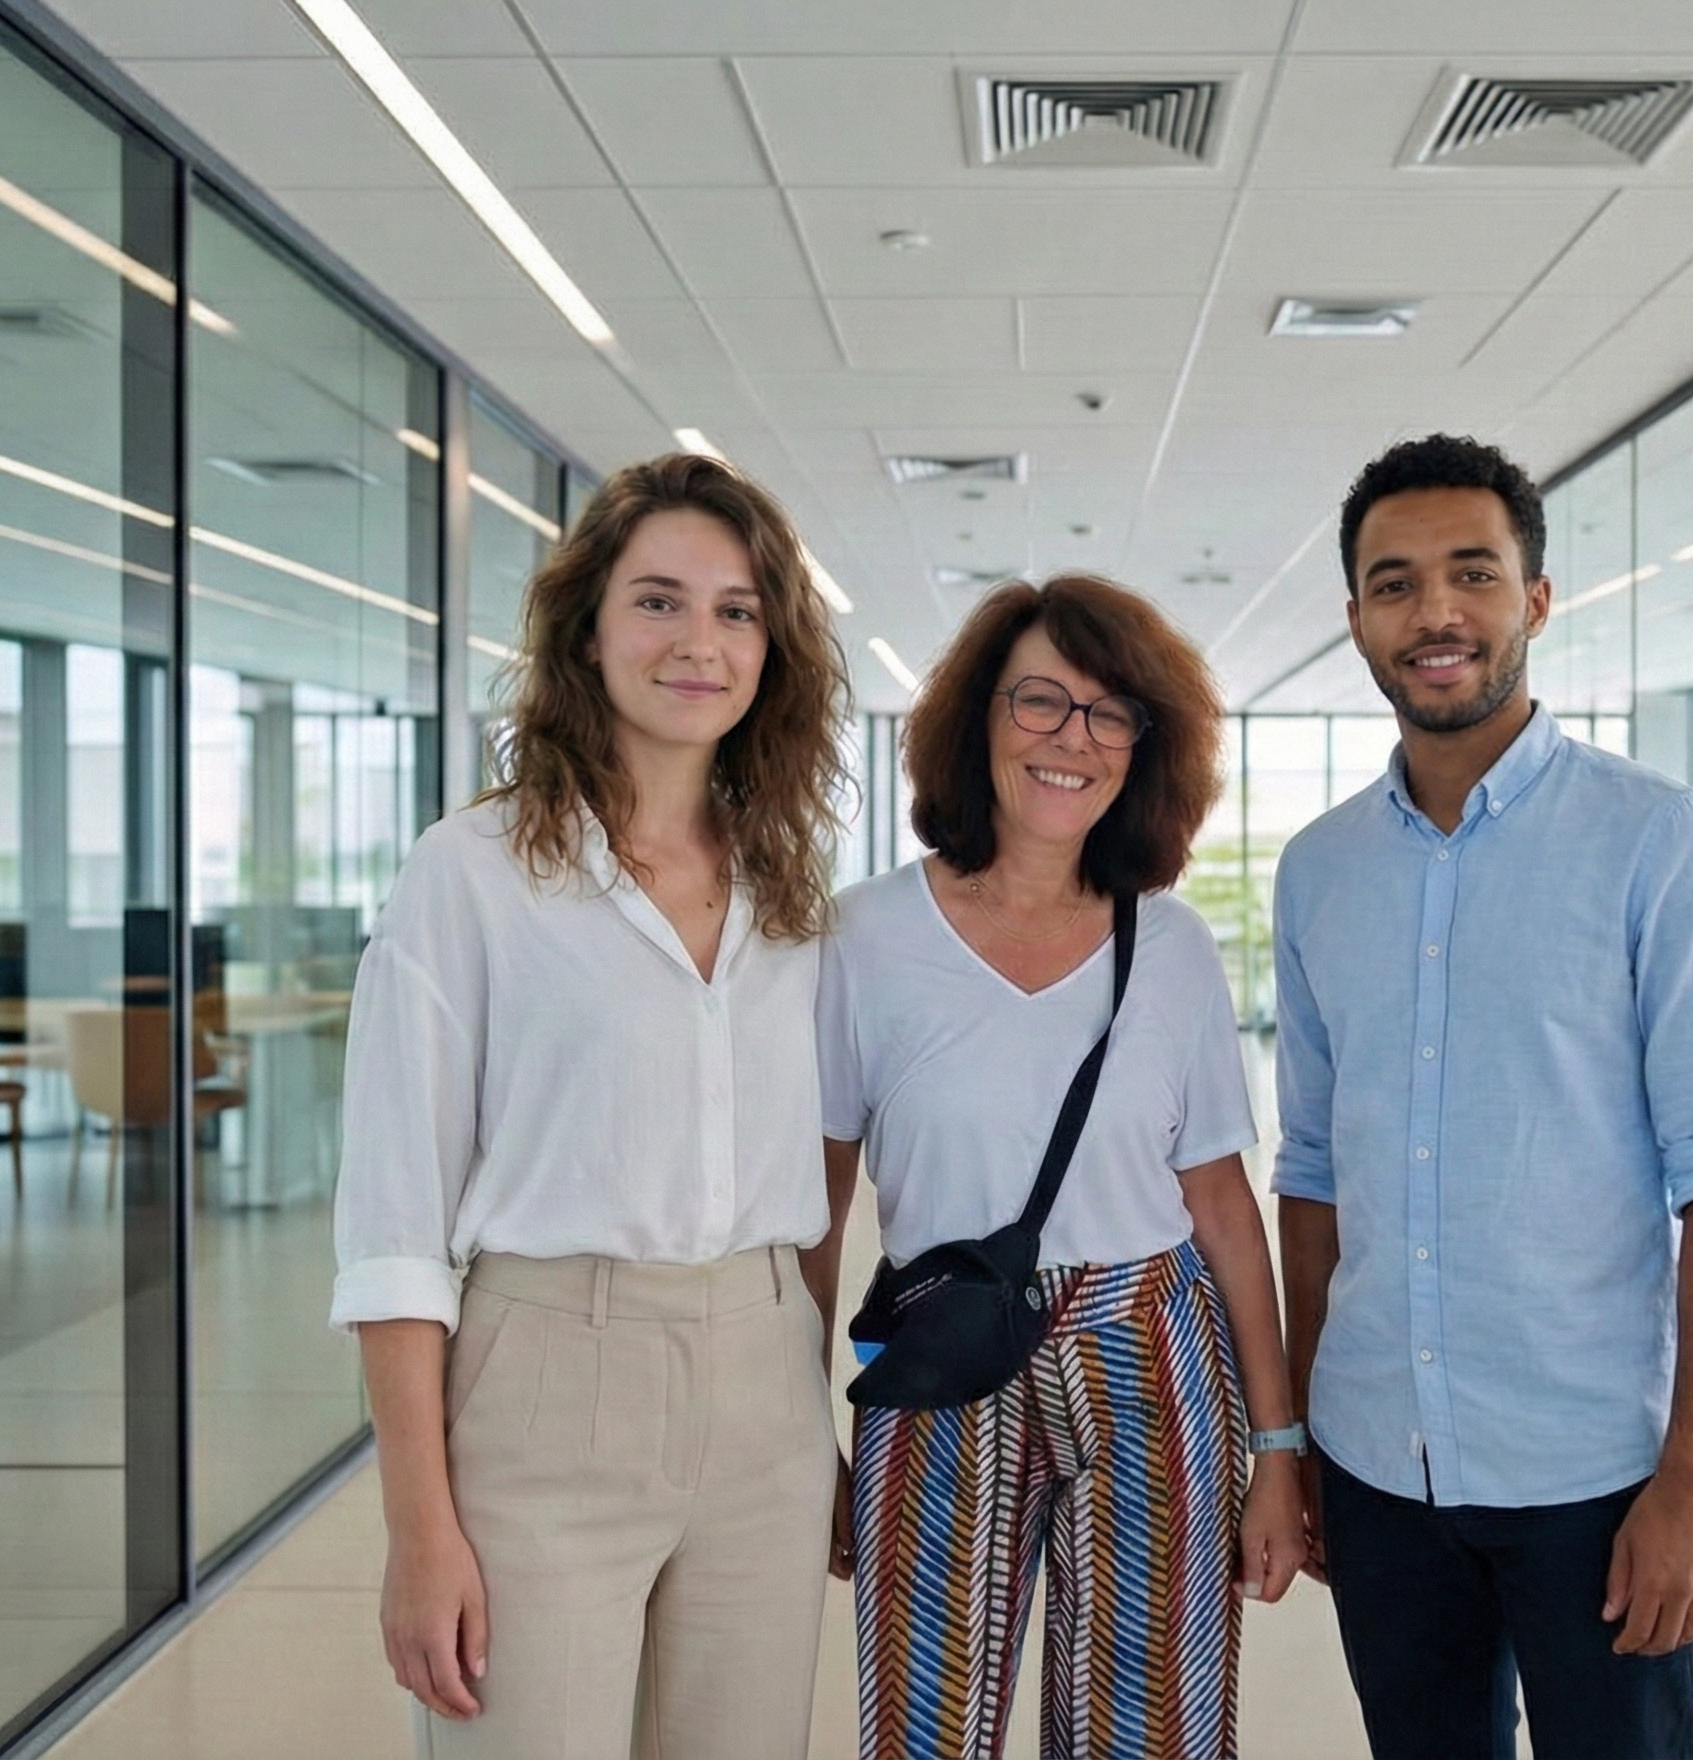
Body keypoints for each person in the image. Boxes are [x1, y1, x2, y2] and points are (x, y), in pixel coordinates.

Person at [1272, 435, 1693, 1759]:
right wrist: (1310, 1435)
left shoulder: (1662, 842)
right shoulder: (1320, 870)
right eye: (1395, 584)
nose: (1435, 613)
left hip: (1595, 1473)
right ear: (1356, 619)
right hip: (1379, 1460)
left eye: (1473, 574)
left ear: (1537, 600)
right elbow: (1314, 1171)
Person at [329, 452, 851, 1759]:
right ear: (587, 629)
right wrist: (417, 1526)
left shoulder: (790, 887)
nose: (699, 642)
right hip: (548, 1379)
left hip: (765, 1387)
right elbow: (393, 1227)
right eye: (658, 600)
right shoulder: (472, 874)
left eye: (737, 611)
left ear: (772, 649)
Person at [814, 575, 1307, 1760]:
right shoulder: (863, 934)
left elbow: (1223, 1208)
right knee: (925, 1726)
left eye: (1109, 712)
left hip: (1152, 1349)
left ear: (1146, 746)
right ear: (978, 718)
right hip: (937, 1349)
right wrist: (801, 1434)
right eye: (1040, 699)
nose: (1072, 738)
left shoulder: (1173, 945)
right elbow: (816, 1213)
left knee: (1151, 1731)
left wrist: (1278, 1448)